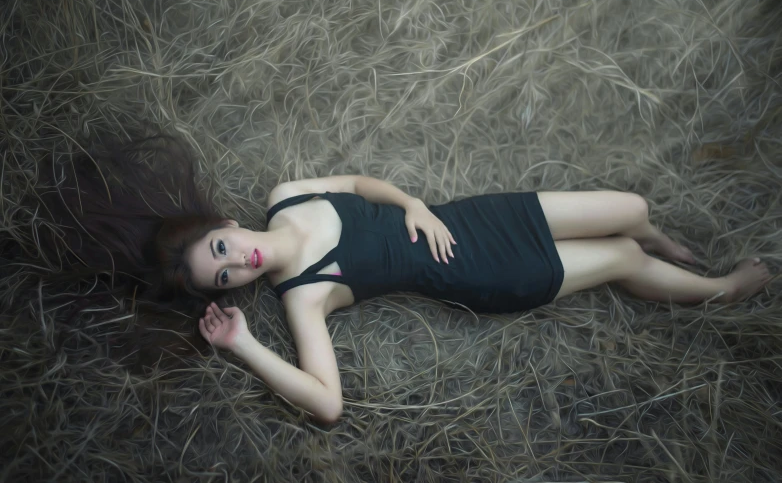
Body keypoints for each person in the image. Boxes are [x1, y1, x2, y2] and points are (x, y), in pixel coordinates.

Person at [43, 135, 772, 424]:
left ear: (224, 223)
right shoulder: (304, 294)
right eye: (226, 275)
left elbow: (360, 179)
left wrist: (413, 202)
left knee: (632, 210)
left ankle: (667, 244)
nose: (241, 262)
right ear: (229, 289)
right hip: (487, 270)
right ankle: (720, 290)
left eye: (224, 248)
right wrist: (242, 346)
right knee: (618, 259)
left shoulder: (288, 193)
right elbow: (328, 405)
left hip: (473, 217)